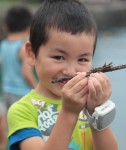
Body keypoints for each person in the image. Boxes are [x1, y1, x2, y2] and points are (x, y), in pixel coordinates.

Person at [7, 0, 118, 150]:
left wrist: (97, 110)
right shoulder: (22, 111)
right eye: (59, 57)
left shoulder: (88, 104)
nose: (71, 71)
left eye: (83, 59)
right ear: (31, 54)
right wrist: (69, 111)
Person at [0, 5, 37, 149]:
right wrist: (37, 89)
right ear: (28, 27)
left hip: (7, 93)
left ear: (7, 26)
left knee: (12, 129)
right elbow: (26, 73)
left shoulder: (3, 45)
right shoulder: (23, 47)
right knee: (27, 129)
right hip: (22, 94)